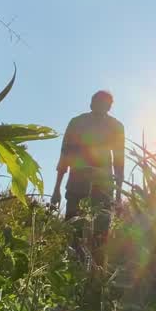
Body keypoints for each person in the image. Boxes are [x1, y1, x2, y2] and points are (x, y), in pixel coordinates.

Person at [50, 90, 125, 258]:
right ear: (91, 104)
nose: (102, 107)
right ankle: (71, 267)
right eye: (98, 103)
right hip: (78, 183)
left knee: (100, 233)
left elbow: (119, 162)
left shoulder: (116, 127)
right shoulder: (77, 123)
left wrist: (118, 195)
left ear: (110, 107)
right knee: (73, 228)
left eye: (106, 104)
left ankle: (95, 274)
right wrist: (57, 189)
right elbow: (65, 155)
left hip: (104, 186)